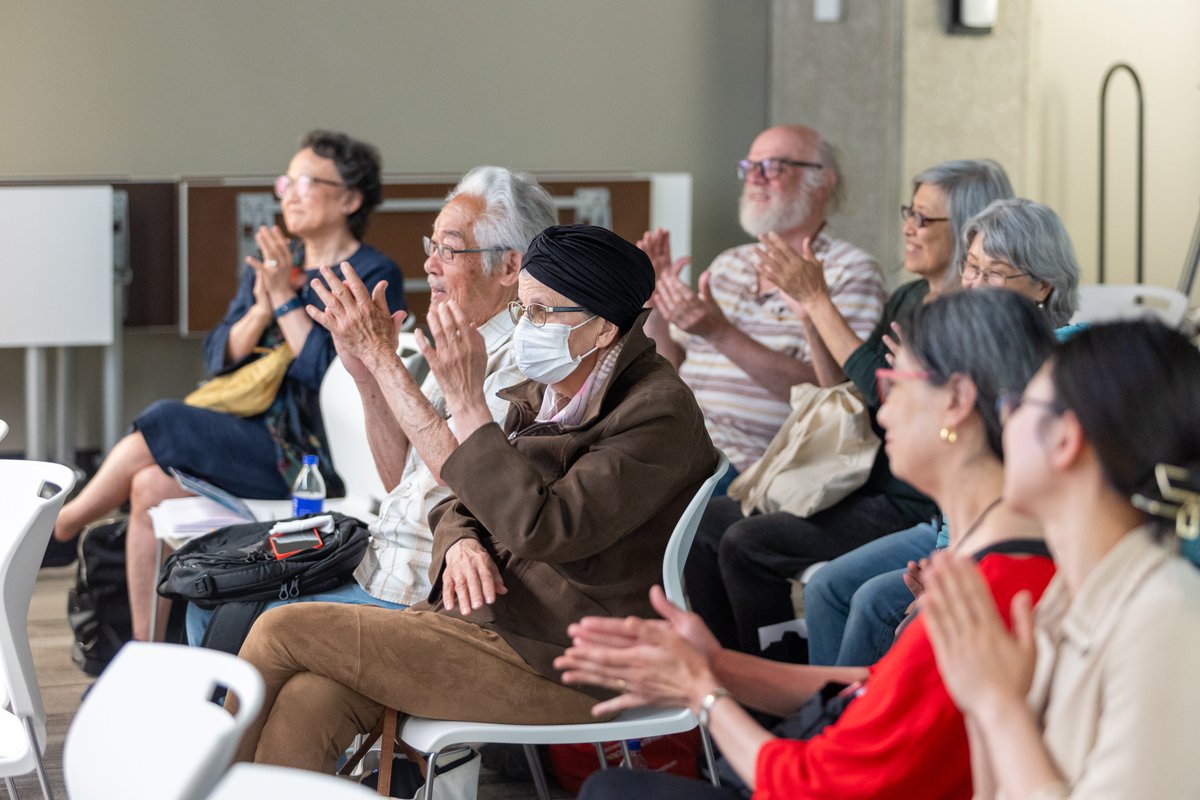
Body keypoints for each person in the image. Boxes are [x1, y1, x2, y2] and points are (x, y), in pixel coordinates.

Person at [230, 225, 719, 772]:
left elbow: (547, 527)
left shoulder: (658, 412)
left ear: (602, 330)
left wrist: (469, 407)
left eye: (539, 313)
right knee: (309, 700)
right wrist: (461, 542)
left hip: (567, 662)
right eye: (522, 308)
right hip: (491, 622)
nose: (525, 328)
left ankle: (197, 784)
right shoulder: (553, 386)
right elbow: (464, 495)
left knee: (279, 627)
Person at [558, 289, 1057, 799]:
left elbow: (817, 786)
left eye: (892, 382)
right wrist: (716, 665)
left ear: (955, 401)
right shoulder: (996, 568)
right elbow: (874, 687)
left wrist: (702, 694)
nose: (879, 408)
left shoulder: (992, 593)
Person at [49, 130, 406, 642]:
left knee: (166, 416)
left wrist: (284, 298)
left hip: (305, 455)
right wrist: (263, 302)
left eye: (307, 180)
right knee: (147, 487)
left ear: (349, 199)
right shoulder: (278, 264)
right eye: (288, 181)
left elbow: (328, 373)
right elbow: (218, 355)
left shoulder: (370, 270)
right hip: (250, 435)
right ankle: (150, 651)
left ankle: (62, 527)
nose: (290, 193)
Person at [184, 166, 557, 645]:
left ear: (510, 267)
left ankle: (229, 718)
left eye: (450, 249)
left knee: (219, 611)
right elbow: (397, 476)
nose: (430, 265)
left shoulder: (526, 360)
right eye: (433, 247)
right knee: (206, 591)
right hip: (380, 559)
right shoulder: (467, 338)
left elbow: (462, 472)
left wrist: (383, 358)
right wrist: (365, 373)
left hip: (421, 589)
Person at [687, 159, 1013, 660]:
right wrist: (810, 317)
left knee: (746, 542)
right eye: (910, 211)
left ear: (969, 225)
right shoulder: (909, 297)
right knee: (706, 526)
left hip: (908, 499)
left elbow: (884, 396)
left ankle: (777, 688)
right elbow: (844, 393)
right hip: (860, 477)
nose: (908, 226)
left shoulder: (976, 324)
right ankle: (737, 687)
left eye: (925, 219)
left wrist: (819, 301)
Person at [923, 320, 1200, 798]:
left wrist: (998, 706)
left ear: (1065, 439)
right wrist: (980, 698)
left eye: (1017, 404)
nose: (1003, 420)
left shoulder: (1167, 614)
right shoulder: (1062, 600)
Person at [805, 195, 1082, 667]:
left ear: (1042, 286)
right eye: (970, 268)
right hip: (953, 526)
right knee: (827, 585)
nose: (973, 285)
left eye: (993, 273)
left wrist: (952, 562)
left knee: (875, 602)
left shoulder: (1059, 362)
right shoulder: (973, 351)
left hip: (1005, 534)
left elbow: (995, 484)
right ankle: (832, 718)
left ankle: (851, 720)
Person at [639, 124, 884, 491]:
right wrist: (652, 302)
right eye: (749, 167)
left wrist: (720, 333)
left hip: (752, 463)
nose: (754, 178)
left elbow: (832, 394)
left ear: (822, 183)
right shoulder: (729, 263)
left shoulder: (850, 272)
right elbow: (669, 369)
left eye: (772, 167)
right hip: (673, 436)